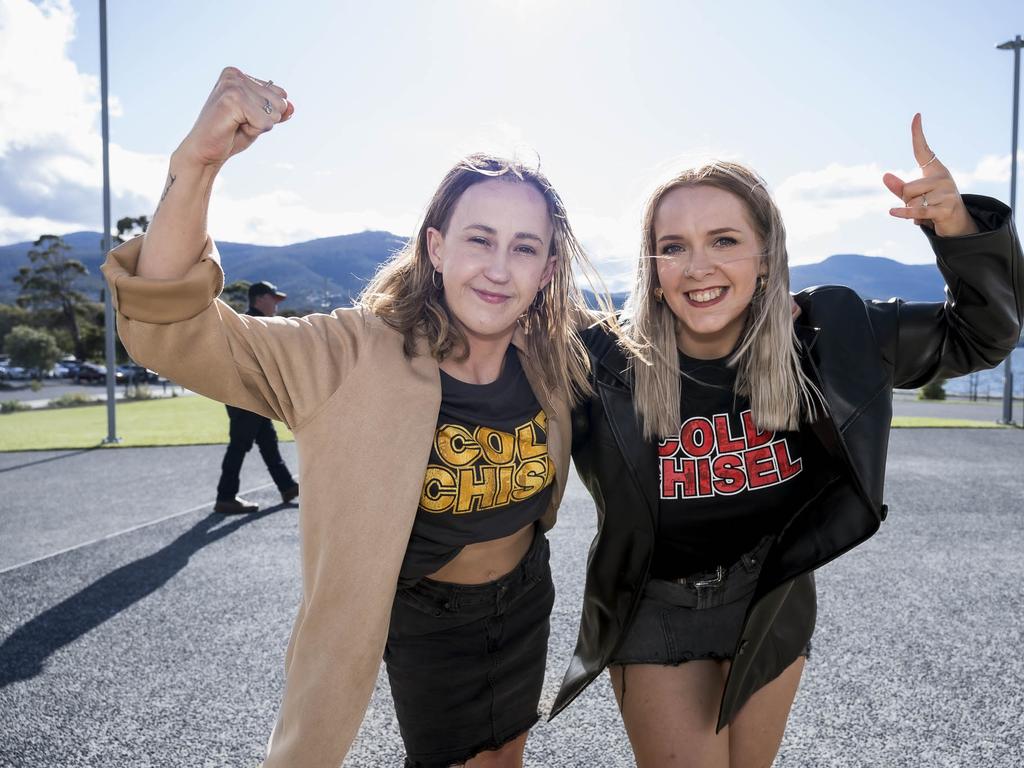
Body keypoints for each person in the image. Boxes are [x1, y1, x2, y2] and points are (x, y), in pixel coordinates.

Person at [101, 67, 603, 768]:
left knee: (506, 755)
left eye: (525, 247)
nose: (499, 268)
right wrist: (198, 164)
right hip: (429, 614)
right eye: (479, 239)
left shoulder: (556, 353)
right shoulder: (347, 353)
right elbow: (170, 330)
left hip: (525, 596)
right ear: (435, 247)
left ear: (548, 268)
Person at [550, 115, 1023, 767]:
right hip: (654, 606)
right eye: (674, 246)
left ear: (765, 255)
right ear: (651, 265)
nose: (699, 267)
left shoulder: (828, 338)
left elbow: (983, 334)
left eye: (724, 240)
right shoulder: (601, 360)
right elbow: (482, 343)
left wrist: (957, 228)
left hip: (769, 604)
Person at [213, 280, 299, 514]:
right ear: (260, 298)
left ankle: (287, 486)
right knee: (239, 445)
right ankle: (225, 496)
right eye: (273, 299)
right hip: (246, 396)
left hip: (252, 396)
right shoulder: (251, 324)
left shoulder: (248, 323)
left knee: (268, 442)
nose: (277, 305)